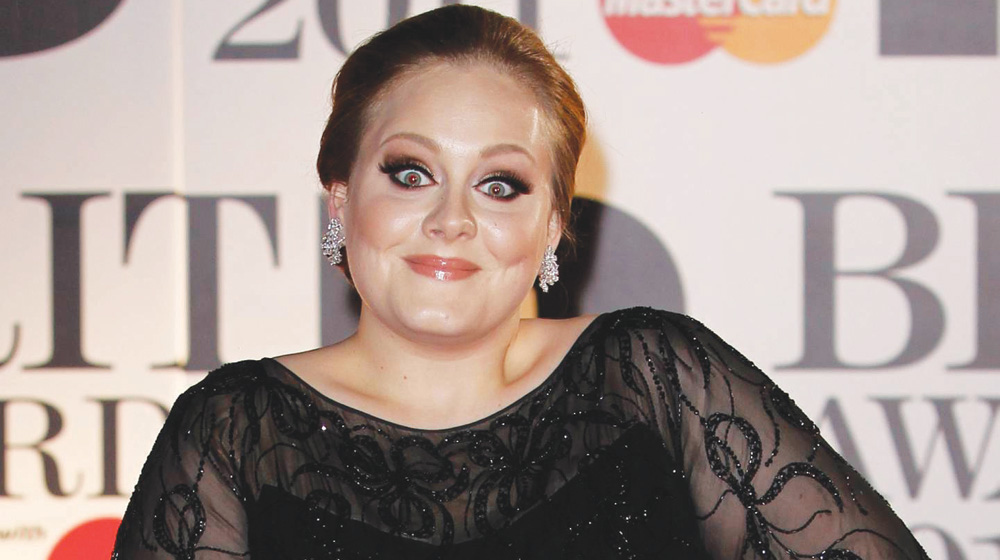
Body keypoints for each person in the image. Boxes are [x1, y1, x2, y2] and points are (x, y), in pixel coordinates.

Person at [112, 5, 928, 559]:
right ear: (341, 198)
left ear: (552, 225)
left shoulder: (653, 378)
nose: (452, 219)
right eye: (411, 173)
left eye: (500, 184)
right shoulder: (234, 432)